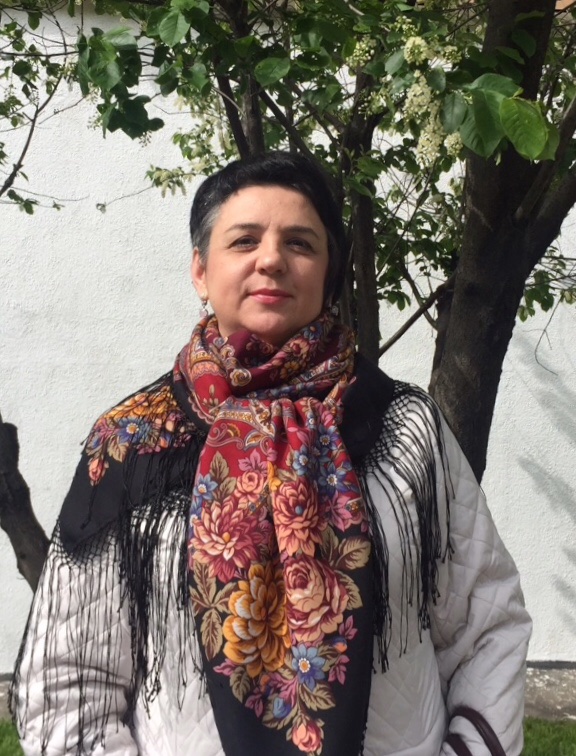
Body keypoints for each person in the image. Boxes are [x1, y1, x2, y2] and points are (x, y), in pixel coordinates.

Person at [10, 151, 531, 756]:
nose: (272, 259)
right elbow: (67, 683)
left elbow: (487, 627)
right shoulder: (132, 445)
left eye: (300, 243)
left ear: (329, 273)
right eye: (244, 240)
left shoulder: (405, 429)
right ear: (201, 270)